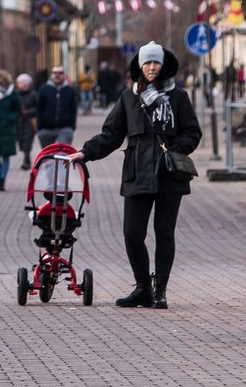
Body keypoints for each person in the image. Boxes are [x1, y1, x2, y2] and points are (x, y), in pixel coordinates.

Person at [66, 42, 201, 310]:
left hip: (169, 175)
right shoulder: (129, 98)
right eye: (147, 63)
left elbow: (192, 132)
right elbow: (112, 134)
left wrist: (174, 149)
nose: (152, 67)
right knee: (132, 234)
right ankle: (142, 287)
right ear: (139, 66)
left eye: (156, 63)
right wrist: (86, 152)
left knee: (164, 232)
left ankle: (160, 290)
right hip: (137, 173)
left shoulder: (178, 96)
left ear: (164, 65)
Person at [35, 65, 77, 148]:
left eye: (60, 73)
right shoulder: (43, 89)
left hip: (65, 128)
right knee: (47, 157)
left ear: (64, 75)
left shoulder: (69, 90)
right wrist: (40, 127)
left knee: (63, 155)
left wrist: (71, 126)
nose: (57, 75)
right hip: (46, 129)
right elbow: (39, 108)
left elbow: (73, 109)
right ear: (51, 75)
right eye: (54, 73)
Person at [15, 73, 38, 170]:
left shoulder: (33, 94)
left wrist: (28, 111)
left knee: (27, 141)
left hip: (30, 120)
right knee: (21, 141)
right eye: (19, 83)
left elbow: (37, 107)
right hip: (19, 121)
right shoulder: (16, 94)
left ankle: (26, 161)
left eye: (22, 83)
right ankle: (26, 159)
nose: (20, 85)